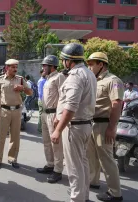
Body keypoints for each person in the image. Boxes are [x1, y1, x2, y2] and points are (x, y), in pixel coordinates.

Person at [50, 43, 97, 202]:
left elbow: (71, 106)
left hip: (75, 127)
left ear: (69, 60)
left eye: (63, 59)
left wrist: (57, 130)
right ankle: (84, 197)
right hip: (85, 125)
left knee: (74, 168)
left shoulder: (75, 76)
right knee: (82, 163)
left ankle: (76, 198)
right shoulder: (88, 73)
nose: (63, 62)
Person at [86, 52, 124, 202]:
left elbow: (117, 104)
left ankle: (115, 193)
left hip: (103, 125)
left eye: (91, 64)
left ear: (101, 64)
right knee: (92, 156)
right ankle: (93, 181)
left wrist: (111, 128)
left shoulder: (114, 80)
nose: (89, 66)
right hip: (92, 123)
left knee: (106, 159)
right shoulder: (94, 81)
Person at [0, 59, 33, 169]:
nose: (15, 69)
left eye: (16, 67)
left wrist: (23, 88)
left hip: (17, 111)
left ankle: (12, 158)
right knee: (1, 136)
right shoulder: (0, 80)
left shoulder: (20, 80)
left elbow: (30, 92)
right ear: (7, 68)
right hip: (4, 111)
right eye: (13, 67)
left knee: (15, 137)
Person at [37, 55, 66, 183]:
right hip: (45, 113)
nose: (43, 67)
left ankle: (58, 170)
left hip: (54, 114)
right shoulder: (48, 79)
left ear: (52, 66)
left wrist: (59, 116)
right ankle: (50, 164)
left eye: (45, 65)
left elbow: (63, 97)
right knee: (46, 142)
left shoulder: (59, 77)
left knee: (56, 144)